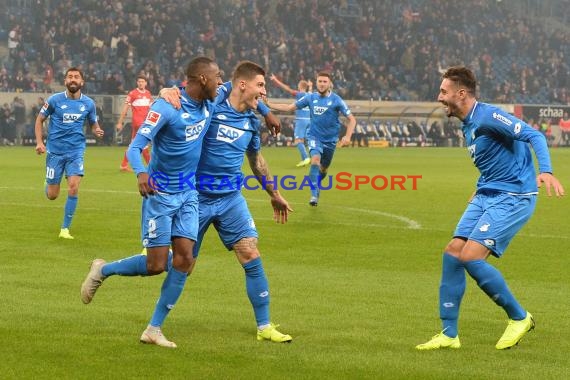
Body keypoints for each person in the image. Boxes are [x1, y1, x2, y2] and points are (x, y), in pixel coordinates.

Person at [79, 57, 280, 349]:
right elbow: (137, 147)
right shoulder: (171, 106)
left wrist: (266, 111)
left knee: (198, 259)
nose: (220, 82)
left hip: (195, 196)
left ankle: (157, 329)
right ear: (202, 79)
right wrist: (141, 172)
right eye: (216, 77)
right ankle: (104, 269)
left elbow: (242, 92)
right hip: (165, 193)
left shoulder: (213, 103)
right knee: (158, 264)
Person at [416, 66, 565, 351]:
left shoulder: (488, 116)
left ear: (461, 94)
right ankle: (449, 334)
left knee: (471, 257)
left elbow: (535, 136)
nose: (439, 97)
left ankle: (519, 318)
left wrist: (545, 170)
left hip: (514, 196)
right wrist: (481, 184)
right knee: (452, 252)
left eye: (443, 92)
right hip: (488, 193)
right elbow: (495, 160)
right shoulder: (468, 124)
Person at [193, 61, 293, 342]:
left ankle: (264, 327)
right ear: (242, 84)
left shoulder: (250, 120)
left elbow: (257, 162)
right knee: (172, 264)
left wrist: (274, 194)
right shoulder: (214, 103)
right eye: (261, 86)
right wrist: (166, 92)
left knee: (250, 252)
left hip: (230, 199)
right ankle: (107, 269)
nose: (264, 92)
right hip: (196, 197)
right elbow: (192, 91)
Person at [34, 67, 104, 239]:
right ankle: (48, 182)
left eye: (76, 77)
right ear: (65, 81)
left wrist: (96, 129)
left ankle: (65, 229)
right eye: (70, 77)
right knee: (52, 195)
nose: (73, 79)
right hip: (55, 152)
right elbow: (39, 119)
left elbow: (93, 122)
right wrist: (39, 142)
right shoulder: (54, 100)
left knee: (73, 187)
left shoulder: (88, 103)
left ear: (82, 82)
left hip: (75, 151)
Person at [268, 71, 356, 206]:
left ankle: (317, 183)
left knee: (323, 169)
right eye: (319, 81)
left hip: (331, 141)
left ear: (329, 83)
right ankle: (314, 195)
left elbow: (352, 120)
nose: (321, 84)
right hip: (314, 136)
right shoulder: (310, 98)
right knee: (315, 160)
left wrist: (348, 136)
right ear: (316, 83)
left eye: (324, 81)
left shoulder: (336, 100)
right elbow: (289, 107)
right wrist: (268, 103)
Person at [269, 74, 312, 167]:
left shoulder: (299, 94)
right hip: (310, 120)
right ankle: (310, 158)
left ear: (300, 86)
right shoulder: (310, 95)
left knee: (297, 140)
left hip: (301, 120)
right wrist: (311, 86)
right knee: (306, 140)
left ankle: (306, 158)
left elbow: (287, 89)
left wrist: (275, 80)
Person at [116, 75, 153, 171]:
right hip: (138, 123)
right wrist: (120, 122)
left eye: (142, 81)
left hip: (145, 122)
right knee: (144, 145)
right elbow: (125, 109)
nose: (140, 83)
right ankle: (152, 167)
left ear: (146, 83)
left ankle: (123, 165)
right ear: (137, 83)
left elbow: (151, 109)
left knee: (133, 145)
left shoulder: (148, 94)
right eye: (139, 81)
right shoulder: (132, 94)